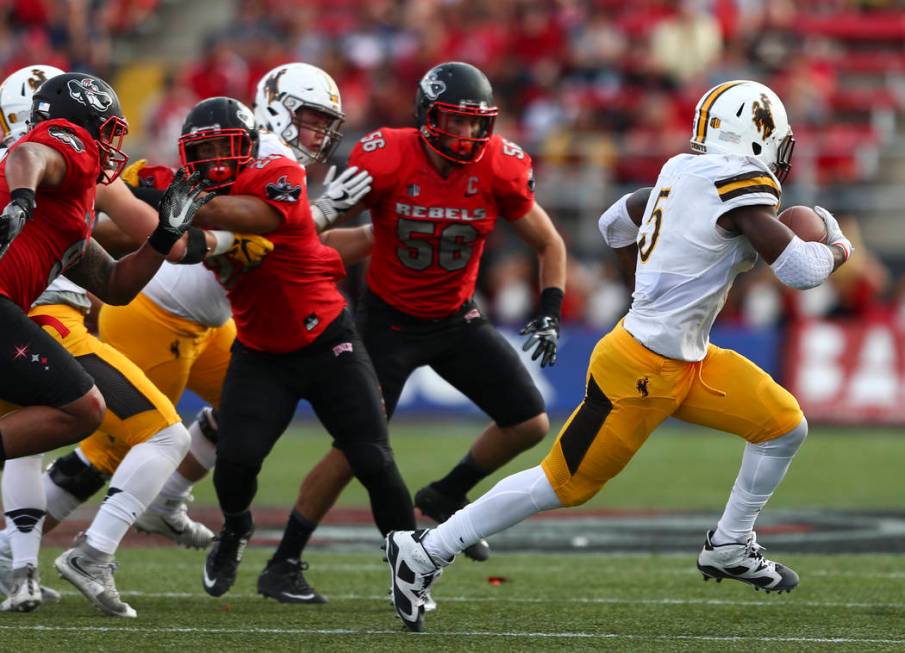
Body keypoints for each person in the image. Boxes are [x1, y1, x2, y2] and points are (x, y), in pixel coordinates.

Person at [383, 79, 853, 632]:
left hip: (688, 359)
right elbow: (801, 272)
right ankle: (426, 549)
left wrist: (676, 258)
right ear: (757, 136)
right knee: (561, 484)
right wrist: (839, 244)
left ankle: (729, 543)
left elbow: (612, 225)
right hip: (640, 370)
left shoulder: (680, 170)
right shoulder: (737, 182)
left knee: (783, 424)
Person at [264, 61, 566, 604]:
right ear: (428, 117)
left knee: (528, 420)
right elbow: (305, 232)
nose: (468, 134)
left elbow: (549, 242)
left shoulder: (500, 165)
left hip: (455, 317)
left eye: (477, 123)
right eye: (455, 121)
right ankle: (284, 559)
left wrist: (549, 307)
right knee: (358, 446)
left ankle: (446, 494)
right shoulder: (385, 156)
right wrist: (324, 210)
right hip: (387, 322)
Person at [171, 95, 415, 599]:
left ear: (248, 146)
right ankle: (236, 529)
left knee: (372, 456)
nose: (216, 159)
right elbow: (167, 244)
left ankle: (411, 562)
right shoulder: (186, 193)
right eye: (205, 150)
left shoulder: (275, 167)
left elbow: (265, 218)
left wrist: (190, 208)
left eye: (227, 147)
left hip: (326, 337)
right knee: (235, 464)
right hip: (261, 350)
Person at [0, 72, 210, 614]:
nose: (114, 146)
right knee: (81, 408)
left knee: (68, 411)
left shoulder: (69, 212)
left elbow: (115, 286)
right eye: (108, 132)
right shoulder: (59, 151)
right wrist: (20, 199)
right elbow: (31, 156)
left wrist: (164, 235)